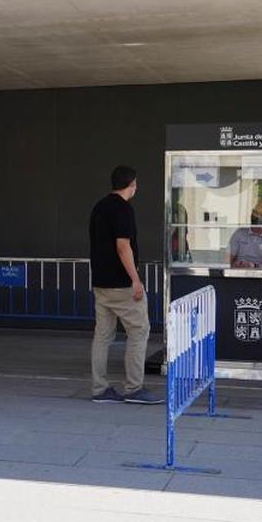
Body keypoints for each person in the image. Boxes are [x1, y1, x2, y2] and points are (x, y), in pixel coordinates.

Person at [88, 166, 162, 405]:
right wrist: (136, 279)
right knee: (139, 331)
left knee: (102, 336)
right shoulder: (123, 209)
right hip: (122, 284)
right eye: (136, 183)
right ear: (132, 184)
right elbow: (123, 246)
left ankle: (99, 388)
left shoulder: (99, 207)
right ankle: (133, 388)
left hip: (100, 283)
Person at [227, 200, 262, 269]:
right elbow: (228, 259)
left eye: (259, 217)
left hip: (259, 275)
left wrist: (254, 266)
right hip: (238, 272)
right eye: (254, 216)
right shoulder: (240, 232)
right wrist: (235, 265)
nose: (255, 219)